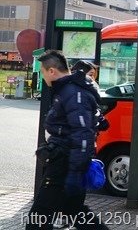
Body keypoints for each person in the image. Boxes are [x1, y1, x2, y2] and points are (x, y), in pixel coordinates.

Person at [27, 50, 108, 230]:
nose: (43, 77)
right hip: (66, 161)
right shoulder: (67, 90)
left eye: (42, 72)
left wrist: (75, 173)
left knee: (38, 217)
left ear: (52, 71)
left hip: (65, 163)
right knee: (75, 211)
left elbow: (83, 135)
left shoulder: (72, 93)